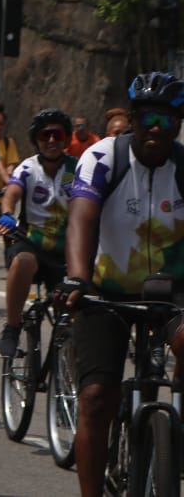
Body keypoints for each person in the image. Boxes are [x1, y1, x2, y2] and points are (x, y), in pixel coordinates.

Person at [63, 72, 184, 497]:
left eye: (166, 120)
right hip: (104, 290)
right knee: (96, 398)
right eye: (147, 117)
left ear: (178, 124)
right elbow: (81, 218)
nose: (156, 128)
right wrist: (77, 277)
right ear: (131, 119)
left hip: (172, 290)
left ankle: (175, 431)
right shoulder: (103, 158)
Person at [0, 108, 75, 358]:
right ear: (36, 140)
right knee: (24, 261)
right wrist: (7, 213)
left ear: (66, 139)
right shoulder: (27, 168)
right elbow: (12, 193)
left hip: (67, 251)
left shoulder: (79, 168)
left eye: (57, 135)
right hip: (32, 245)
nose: (51, 140)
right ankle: (12, 328)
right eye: (44, 135)